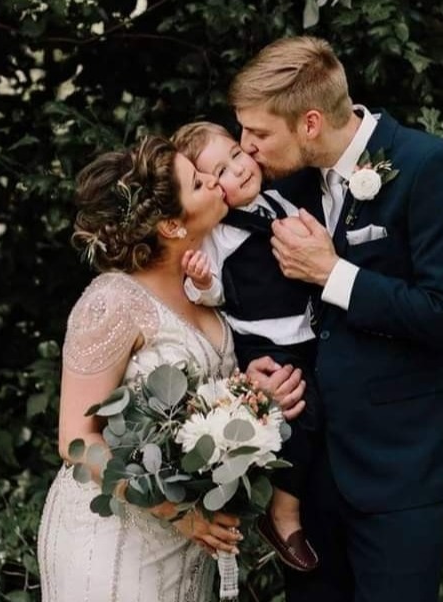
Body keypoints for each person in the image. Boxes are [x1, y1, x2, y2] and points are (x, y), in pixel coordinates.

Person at [229, 36, 443, 601]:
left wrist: (334, 274)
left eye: (259, 133)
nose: (245, 148)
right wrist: (255, 366)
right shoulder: (284, 182)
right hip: (304, 477)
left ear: (311, 123)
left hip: (395, 473)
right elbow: (249, 298)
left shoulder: (428, 168)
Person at [36, 135, 307, 601]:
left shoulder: (208, 290)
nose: (215, 181)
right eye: (199, 182)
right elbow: (77, 443)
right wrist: (175, 511)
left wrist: (250, 396)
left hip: (188, 546)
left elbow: (197, 407)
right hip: (113, 541)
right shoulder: (113, 301)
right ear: (170, 225)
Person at [171, 121, 322, 572]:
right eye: (221, 171)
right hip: (265, 341)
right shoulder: (218, 234)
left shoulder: (277, 201)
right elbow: (213, 292)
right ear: (211, 190)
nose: (239, 169)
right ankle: (283, 515)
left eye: (236, 154)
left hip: (305, 329)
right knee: (303, 412)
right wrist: (202, 281)